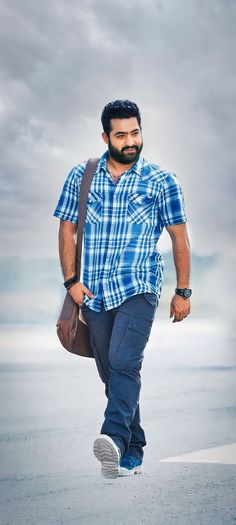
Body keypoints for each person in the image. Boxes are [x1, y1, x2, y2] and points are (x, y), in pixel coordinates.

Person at [53, 99, 191, 479]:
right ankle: (131, 450)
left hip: (139, 286)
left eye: (135, 132)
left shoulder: (162, 180)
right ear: (105, 136)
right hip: (93, 292)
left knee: (126, 363)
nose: (130, 141)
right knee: (111, 371)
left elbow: (179, 238)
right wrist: (71, 282)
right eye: (121, 134)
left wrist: (183, 291)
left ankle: (111, 438)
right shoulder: (82, 175)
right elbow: (66, 228)